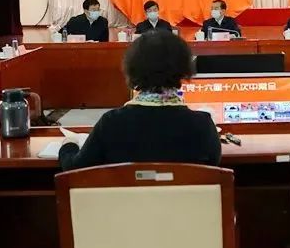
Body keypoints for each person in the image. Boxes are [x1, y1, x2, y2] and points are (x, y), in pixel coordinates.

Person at [60, 30, 221, 170]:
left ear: (132, 69)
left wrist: (69, 144)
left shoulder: (111, 123)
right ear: (184, 68)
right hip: (183, 197)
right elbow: (213, 167)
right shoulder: (202, 124)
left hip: (125, 197)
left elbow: (75, 168)